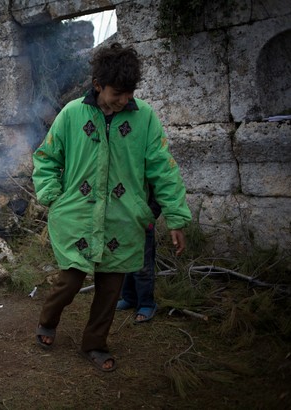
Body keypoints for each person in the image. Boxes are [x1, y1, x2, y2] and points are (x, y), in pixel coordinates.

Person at [31, 43, 191, 372]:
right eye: (118, 93)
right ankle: (48, 320)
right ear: (98, 86)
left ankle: (95, 344)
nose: (124, 100)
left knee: (109, 288)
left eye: (129, 92)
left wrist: (175, 217)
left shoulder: (144, 117)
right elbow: (46, 159)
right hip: (77, 215)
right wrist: (52, 195)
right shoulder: (72, 115)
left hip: (123, 219)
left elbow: (163, 167)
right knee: (71, 280)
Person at [117, 188, 161, 324]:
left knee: (143, 266)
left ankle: (146, 304)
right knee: (127, 261)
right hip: (123, 219)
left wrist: (148, 215)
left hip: (142, 220)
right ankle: (129, 298)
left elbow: (160, 189)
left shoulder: (153, 167)